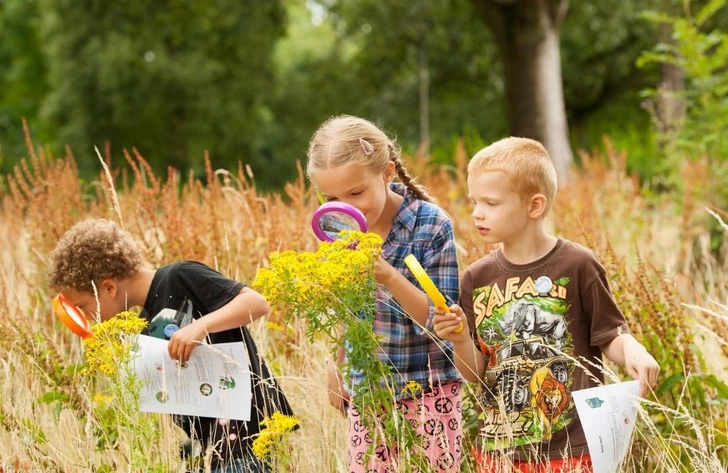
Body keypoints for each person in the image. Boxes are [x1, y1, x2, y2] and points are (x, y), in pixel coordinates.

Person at [433, 137, 660, 472]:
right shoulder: (476, 278)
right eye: (473, 202)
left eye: (491, 203)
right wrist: (459, 340)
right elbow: (475, 374)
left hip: (574, 447)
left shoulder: (577, 265)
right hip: (500, 451)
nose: (477, 213)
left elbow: (610, 334)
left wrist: (634, 352)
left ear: (534, 206)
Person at [47, 218, 295, 473]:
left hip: (250, 441)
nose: (89, 318)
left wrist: (200, 327)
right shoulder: (141, 321)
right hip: (211, 451)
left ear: (108, 287)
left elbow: (256, 303)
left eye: (83, 307)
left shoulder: (180, 276)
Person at [306, 115, 463, 472]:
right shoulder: (336, 230)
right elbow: (344, 307)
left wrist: (389, 276)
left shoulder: (431, 225)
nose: (347, 207)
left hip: (428, 389)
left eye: (356, 193)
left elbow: (443, 326)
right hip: (369, 394)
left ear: (387, 173)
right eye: (331, 197)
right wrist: (337, 364)